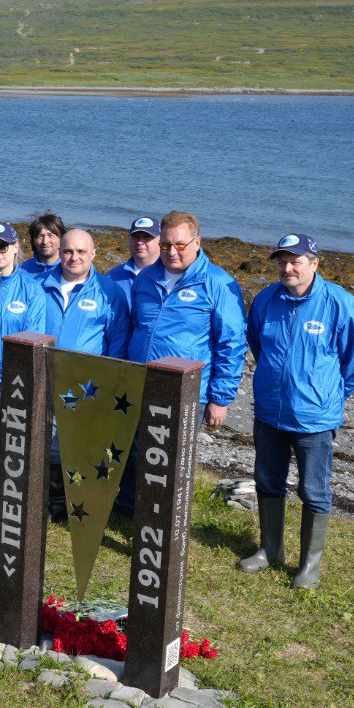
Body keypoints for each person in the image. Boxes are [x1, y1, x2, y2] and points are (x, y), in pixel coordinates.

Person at [239, 234, 354, 589]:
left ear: (314, 262)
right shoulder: (266, 299)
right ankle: (270, 550)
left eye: (296, 260)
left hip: (314, 419)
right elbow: (256, 343)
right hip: (269, 412)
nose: (288, 267)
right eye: (282, 260)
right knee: (268, 482)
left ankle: (309, 566)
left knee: (314, 491)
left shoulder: (341, 305)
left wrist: (326, 396)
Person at [122, 210, 247, 511]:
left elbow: (232, 344)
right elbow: (136, 327)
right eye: (165, 244)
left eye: (179, 244)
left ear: (197, 241)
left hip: (187, 389)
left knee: (173, 456)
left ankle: (168, 516)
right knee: (138, 448)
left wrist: (221, 398)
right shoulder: (146, 278)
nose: (171, 251)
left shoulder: (217, 283)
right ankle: (129, 508)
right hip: (141, 380)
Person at [40, 228, 132, 520]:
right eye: (68, 251)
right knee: (54, 444)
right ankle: (56, 502)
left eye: (81, 252)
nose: (74, 257)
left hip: (89, 387)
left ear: (93, 254)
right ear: (60, 252)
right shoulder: (38, 285)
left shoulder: (109, 291)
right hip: (46, 379)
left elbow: (118, 341)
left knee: (83, 446)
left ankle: (80, 499)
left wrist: (108, 382)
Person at [0, 222, 48, 524]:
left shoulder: (32, 289)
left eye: (3, 246)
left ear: (16, 248)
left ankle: (12, 505)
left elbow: (32, 336)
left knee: (11, 444)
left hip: (11, 382)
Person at [105, 216, 161, 308]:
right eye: (135, 237)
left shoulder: (169, 274)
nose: (140, 242)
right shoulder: (113, 276)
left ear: (161, 241)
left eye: (147, 237)